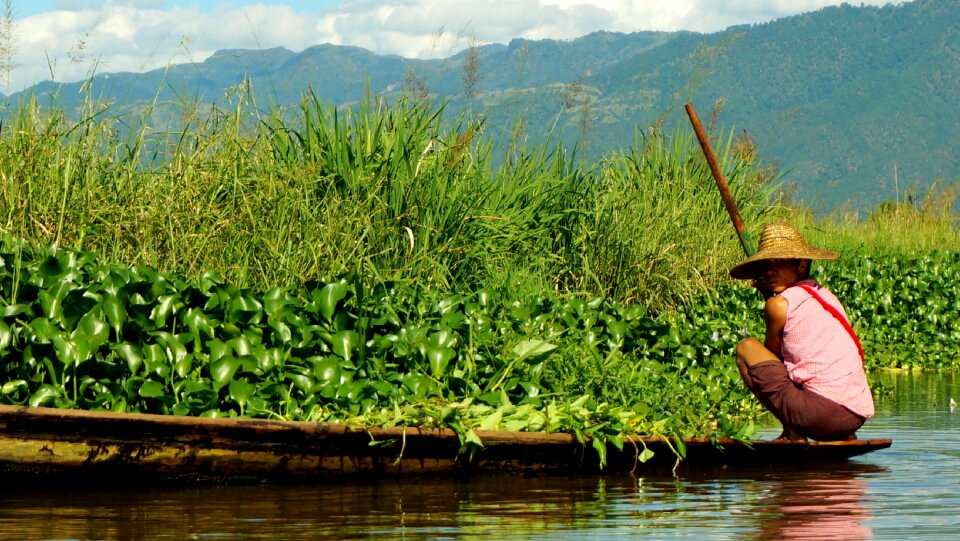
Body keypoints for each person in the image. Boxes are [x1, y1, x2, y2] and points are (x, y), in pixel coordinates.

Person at [730, 222, 874, 441]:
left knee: (746, 348)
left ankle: (792, 431)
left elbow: (773, 355)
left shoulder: (778, 305)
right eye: (765, 265)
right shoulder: (825, 296)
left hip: (818, 414)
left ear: (802, 264)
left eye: (779, 262)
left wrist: (771, 299)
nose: (769, 271)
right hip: (855, 415)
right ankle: (846, 436)